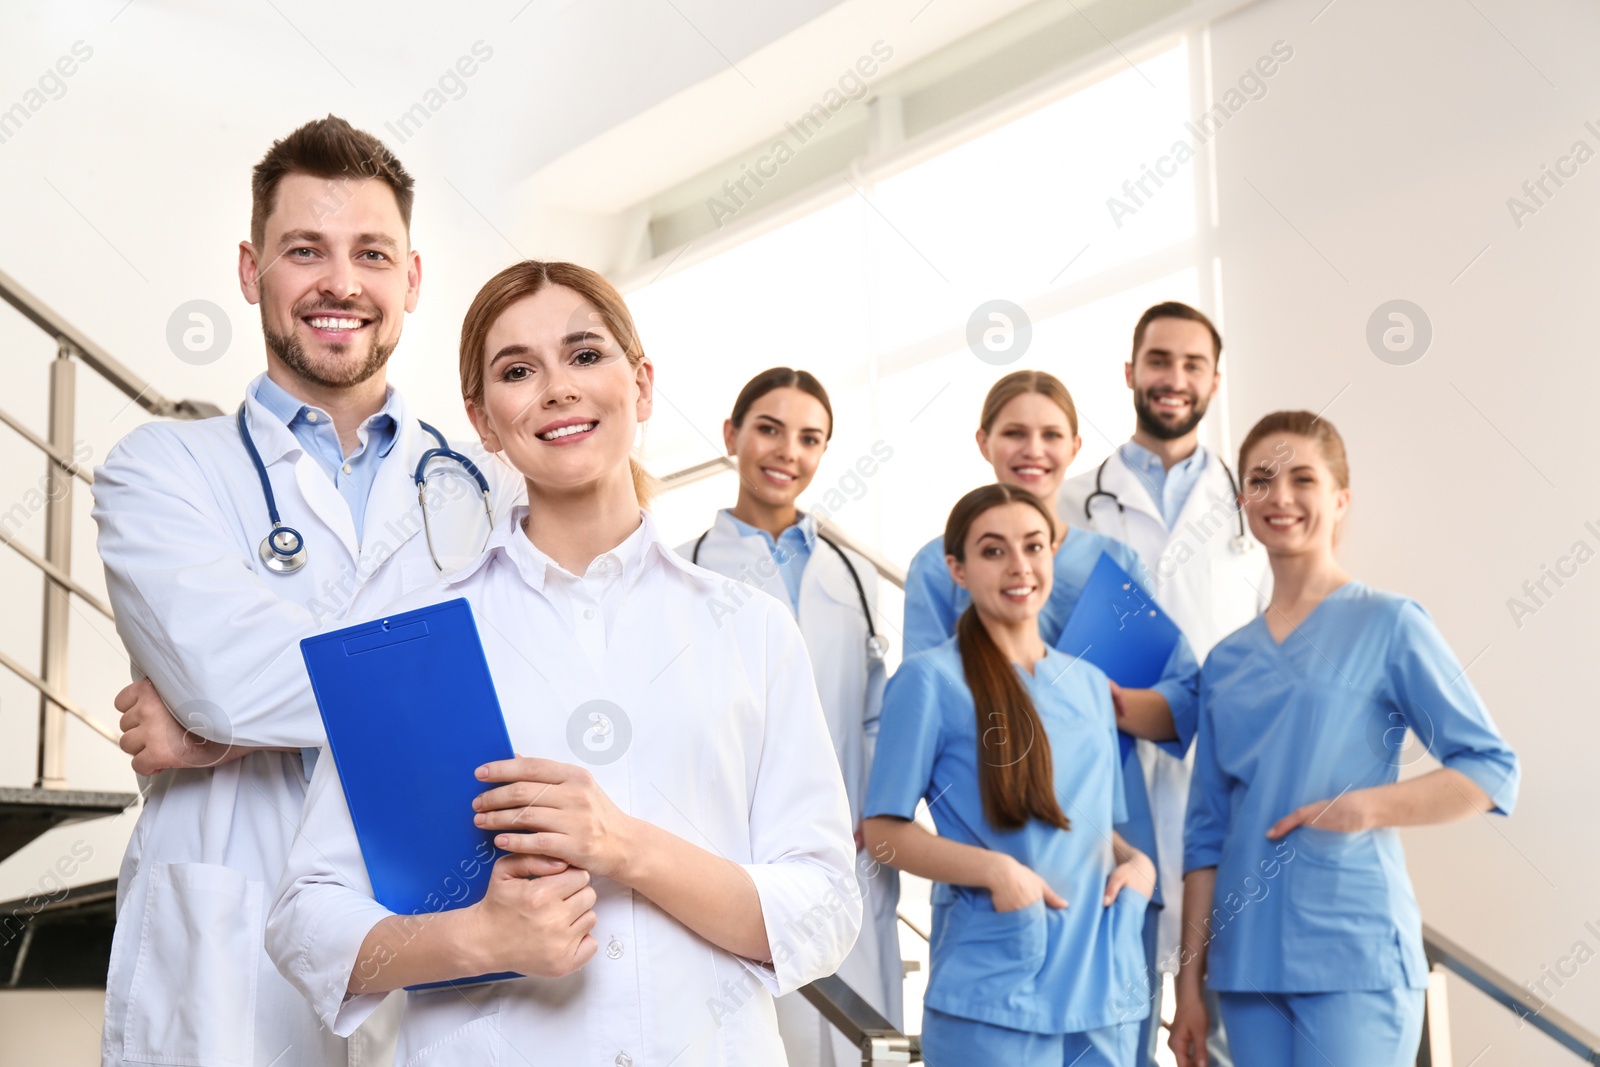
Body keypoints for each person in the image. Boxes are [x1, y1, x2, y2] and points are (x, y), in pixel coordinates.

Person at [266, 261, 861, 1065]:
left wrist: (625, 845)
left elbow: (825, 906)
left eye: (585, 355)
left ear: (641, 385)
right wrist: (475, 938)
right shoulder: (412, 639)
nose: (556, 389)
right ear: (482, 416)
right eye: (518, 370)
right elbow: (305, 921)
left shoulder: (751, 629)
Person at [91, 117, 520, 1067]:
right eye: (304, 251)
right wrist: (223, 704)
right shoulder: (160, 469)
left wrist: (218, 727)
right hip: (229, 960)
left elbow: (540, 686)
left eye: (372, 253)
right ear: (252, 272)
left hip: (437, 938)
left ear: (410, 279)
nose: (341, 283)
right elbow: (227, 678)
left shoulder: (494, 487)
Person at [1168, 412, 1520, 1067]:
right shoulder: (1225, 661)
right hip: (1244, 963)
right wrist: (1189, 983)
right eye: (1261, 480)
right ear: (1242, 501)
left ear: (1339, 498)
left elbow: (1490, 768)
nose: (1280, 496)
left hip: (1353, 946)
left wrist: (1362, 808)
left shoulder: (1389, 623)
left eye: (1303, 477)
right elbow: (1205, 837)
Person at [902, 369, 1198, 983]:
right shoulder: (939, 566)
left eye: (1050, 434)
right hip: (997, 833)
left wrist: (1101, 704)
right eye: (1014, 433)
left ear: (1074, 448)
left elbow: (1183, 696)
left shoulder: (1111, 561)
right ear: (983, 442)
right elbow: (924, 720)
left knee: (1114, 1034)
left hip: (1113, 832)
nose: (1033, 450)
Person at [865, 483, 1155, 1065]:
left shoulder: (1092, 686)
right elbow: (883, 835)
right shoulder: (930, 681)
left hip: (1103, 983)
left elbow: (1087, 823)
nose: (1019, 566)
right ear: (958, 569)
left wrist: (1137, 863)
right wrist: (997, 871)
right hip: (999, 985)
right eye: (994, 551)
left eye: (1034, 546)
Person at [1058, 301, 1267, 1065]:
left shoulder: (1253, 511)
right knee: (1110, 1019)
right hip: (1102, 780)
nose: (1173, 378)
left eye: (1192, 364)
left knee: (1218, 1031)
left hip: (1223, 784)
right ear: (1130, 372)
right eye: (1159, 360)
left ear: (1214, 379)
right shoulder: (1069, 500)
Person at [678, 366, 900, 1067]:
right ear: (731, 436)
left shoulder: (853, 574)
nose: (788, 452)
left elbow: (871, 713)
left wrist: (876, 815)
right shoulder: (685, 570)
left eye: (810, 438)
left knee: (862, 1035)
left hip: (851, 843)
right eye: (769, 429)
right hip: (732, 853)